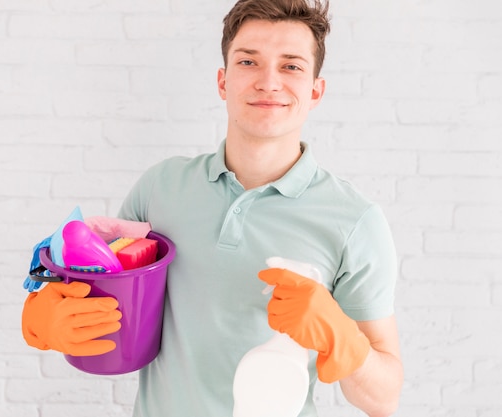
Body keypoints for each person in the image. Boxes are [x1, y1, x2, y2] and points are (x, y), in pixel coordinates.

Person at [21, 0, 404, 416]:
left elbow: (383, 399)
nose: (269, 82)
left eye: (291, 66)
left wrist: (340, 337)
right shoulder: (160, 188)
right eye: (248, 62)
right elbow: (102, 296)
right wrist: (42, 320)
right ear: (223, 82)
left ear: (315, 90)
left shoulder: (354, 221)